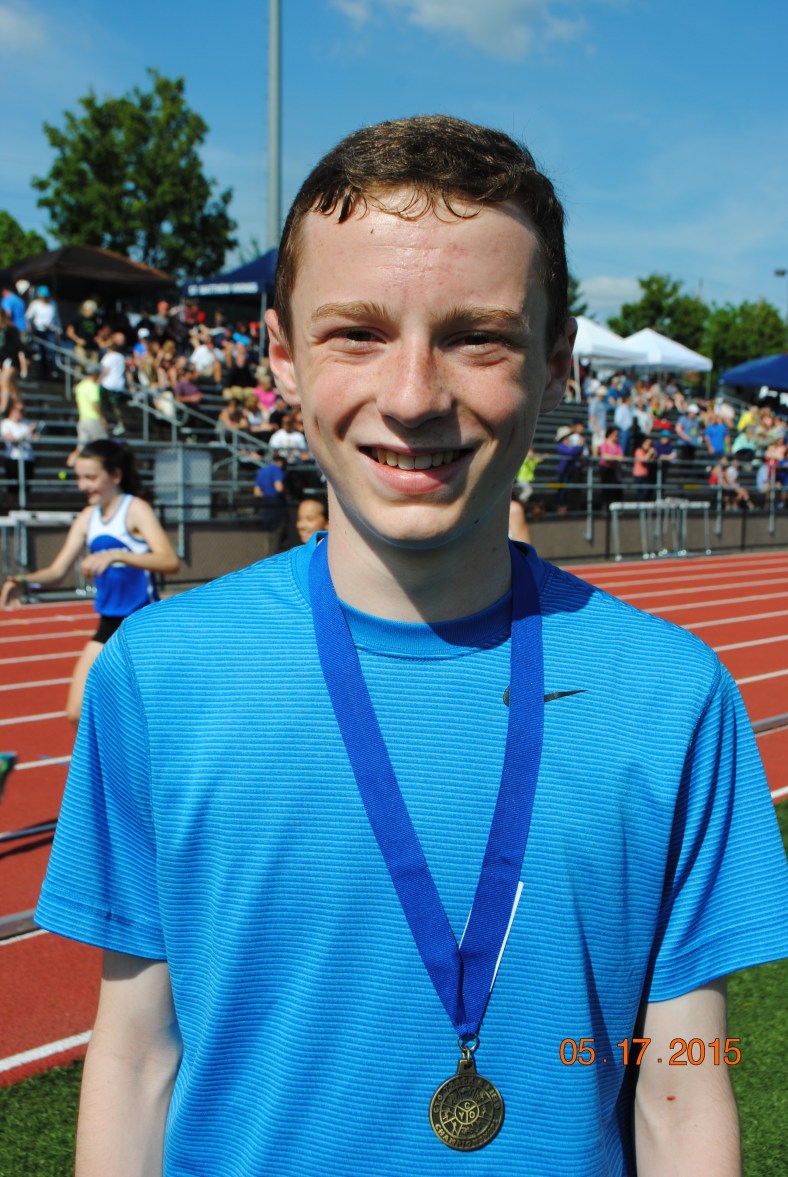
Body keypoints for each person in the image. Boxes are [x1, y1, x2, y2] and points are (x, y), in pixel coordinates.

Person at [35, 116, 788, 1176]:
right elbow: (136, 1057)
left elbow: (679, 1078)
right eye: (356, 333)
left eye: (476, 335)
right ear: (283, 361)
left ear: (557, 361)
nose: (410, 395)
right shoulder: (157, 678)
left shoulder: (674, 697)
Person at [1, 439, 178, 724]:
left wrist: (117, 555)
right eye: (80, 478)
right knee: (76, 713)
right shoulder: (87, 517)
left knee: (148, 720)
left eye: (91, 478)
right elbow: (56, 571)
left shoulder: (135, 509)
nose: (83, 486)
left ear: (116, 475)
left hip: (141, 626)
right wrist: (19, 580)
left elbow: (169, 561)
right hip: (108, 625)